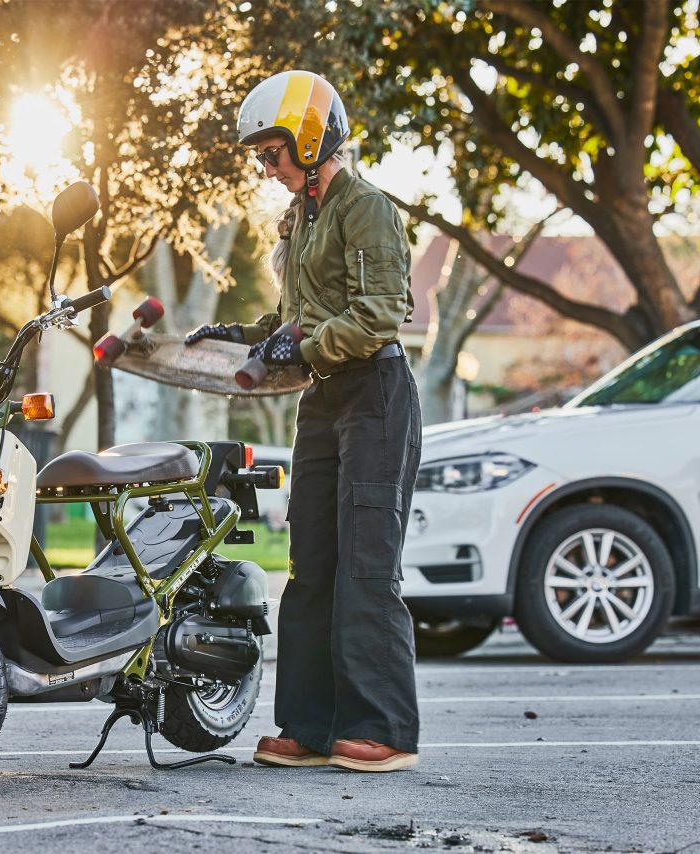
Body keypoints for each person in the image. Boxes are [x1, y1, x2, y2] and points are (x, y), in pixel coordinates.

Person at [186, 70, 422, 772]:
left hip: (375, 393)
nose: (266, 165)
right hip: (323, 400)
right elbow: (294, 323)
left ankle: (383, 729)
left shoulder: (365, 207)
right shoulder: (304, 216)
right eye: (260, 154)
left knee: (366, 566)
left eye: (273, 151)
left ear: (312, 139)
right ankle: (311, 729)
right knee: (310, 565)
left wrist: (304, 345)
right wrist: (238, 335)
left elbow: (380, 313)